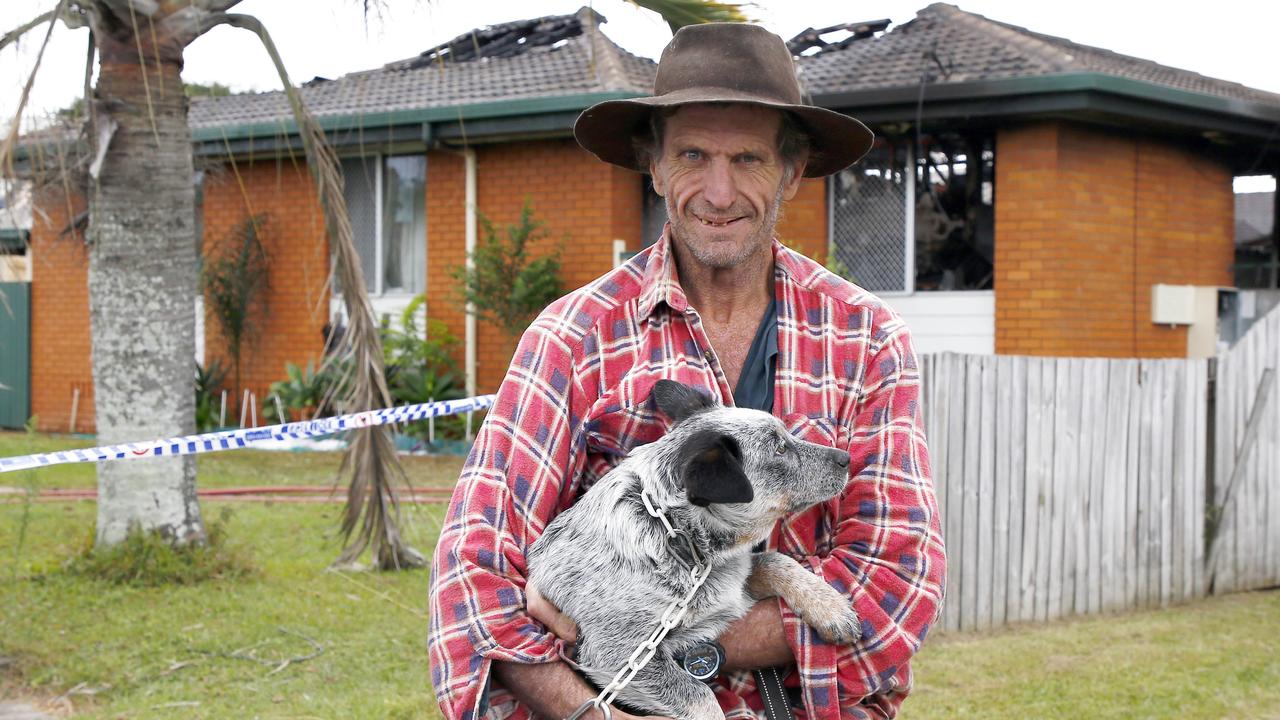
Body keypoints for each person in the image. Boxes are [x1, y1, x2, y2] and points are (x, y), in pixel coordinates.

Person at [429, 22, 946, 720]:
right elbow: (473, 577)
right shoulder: (572, 338)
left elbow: (896, 584)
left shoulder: (865, 338)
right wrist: (591, 711)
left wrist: (669, 646)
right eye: (693, 155)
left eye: (749, 159)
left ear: (792, 171)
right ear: (655, 165)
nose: (719, 190)